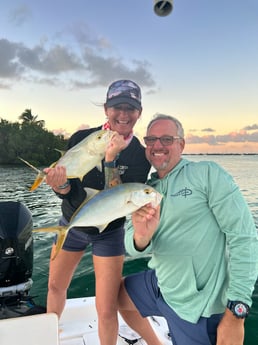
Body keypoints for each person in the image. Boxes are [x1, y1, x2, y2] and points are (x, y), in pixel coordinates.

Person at [118, 114, 258, 345]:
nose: (157, 145)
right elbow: (130, 245)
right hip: (162, 284)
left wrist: (236, 312)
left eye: (166, 139)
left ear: (181, 144)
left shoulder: (206, 173)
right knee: (117, 293)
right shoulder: (145, 191)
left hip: (198, 305)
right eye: (151, 139)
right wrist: (142, 237)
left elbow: (243, 237)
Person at [43, 80, 151, 345]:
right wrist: (62, 185)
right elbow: (70, 190)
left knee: (106, 307)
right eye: (117, 107)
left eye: (130, 108)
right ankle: (48, 337)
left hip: (109, 233)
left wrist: (112, 159)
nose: (123, 115)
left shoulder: (138, 154)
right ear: (106, 109)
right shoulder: (82, 139)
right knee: (56, 287)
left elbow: (120, 198)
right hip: (72, 224)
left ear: (139, 112)